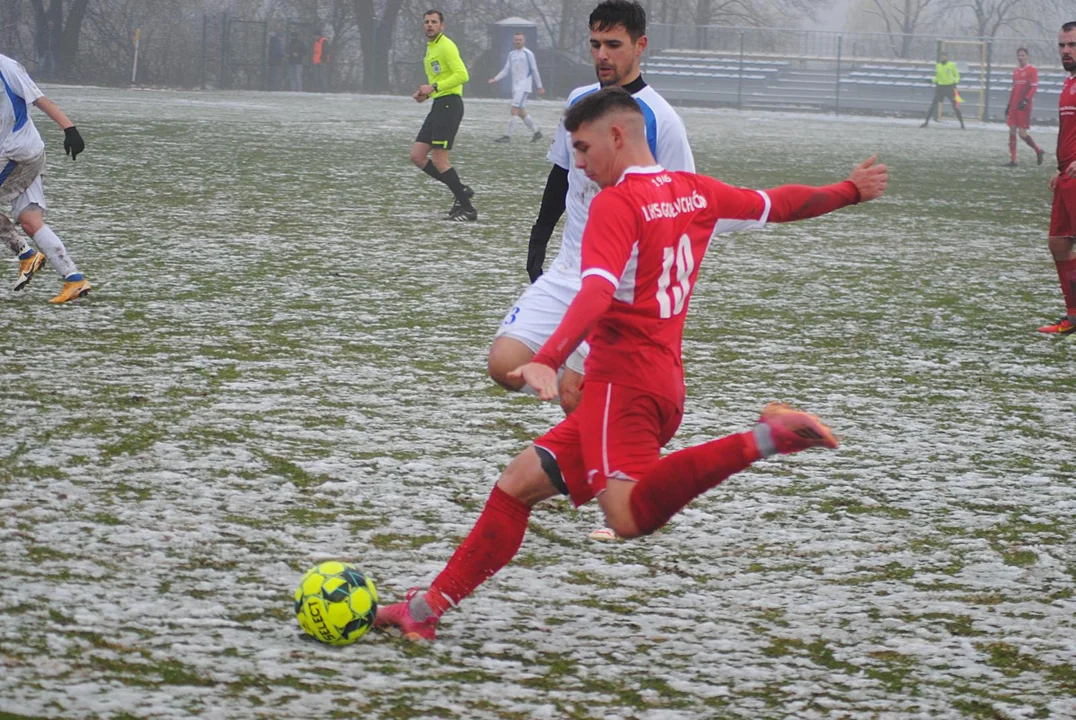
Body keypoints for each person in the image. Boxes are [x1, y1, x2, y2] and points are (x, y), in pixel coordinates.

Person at [373, 87, 888, 642]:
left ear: (616, 136)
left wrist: (547, 358)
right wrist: (849, 192)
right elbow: (777, 203)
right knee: (517, 485)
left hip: (622, 386)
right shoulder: (694, 191)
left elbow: (594, 292)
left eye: (583, 147)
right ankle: (424, 611)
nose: (579, 162)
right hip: (657, 384)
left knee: (626, 517)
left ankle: (766, 439)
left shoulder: (615, 204)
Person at [489, 0, 694, 542]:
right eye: (596, 44)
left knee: (584, 397)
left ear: (640, 46)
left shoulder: (661, 119)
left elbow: (685, 203)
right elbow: (562, 174)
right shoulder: (582, 101)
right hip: (568, 270)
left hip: (620, 287)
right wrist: (539, 238)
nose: (603, 55)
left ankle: (625, 490)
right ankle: (595, 446)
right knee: (504, 364)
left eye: (614, 45)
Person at [0, 53, 89, 303]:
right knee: (30, 220)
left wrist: (69, 128)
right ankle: (74, 279)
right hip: (25, 153)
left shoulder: (6, 67)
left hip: (16, 152)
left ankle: (26, 254)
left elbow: (38, 98)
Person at [410, 9, 477, 222]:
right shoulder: (431, 48)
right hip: (439, 105)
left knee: (440, 159)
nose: (429, 25)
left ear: (442, 25)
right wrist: (426, 95)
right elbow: (439, 80)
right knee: (417, 156)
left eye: (434, 22)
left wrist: (434, 86)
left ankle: (468, 210)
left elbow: (462, 75)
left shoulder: (446, 46)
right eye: (427, 22)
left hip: (450, 106)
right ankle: (461, 189)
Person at [1038, 22, 1076, 336]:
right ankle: (1074, 315)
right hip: (1067, 177)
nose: (1066, 51)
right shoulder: (1069, 84)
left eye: (1072, 45)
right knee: (1059, 244)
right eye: (1062, 45)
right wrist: (1062, 167)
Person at [488, 32, 545, 143]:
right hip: (516, 86)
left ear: (524, 41)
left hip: (524, 86)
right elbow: (506, 69)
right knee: (521, 112)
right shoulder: (511, 54)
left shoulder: (528, 54)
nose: (518, 42)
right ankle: (537, 132)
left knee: (514, 110)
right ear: (513, 41)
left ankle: (507, 137)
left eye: (520, 40)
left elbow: (534, 70)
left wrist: (540, 86)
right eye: (516, 40)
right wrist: (496, 79)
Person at [1004, 48, 1044, 167]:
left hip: (1024, 106)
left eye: (1023, 55)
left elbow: (1034, 87)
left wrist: (1026, 100)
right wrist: (1009, 104)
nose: (1021, 57)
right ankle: (1013, 160)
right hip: (1014, 105)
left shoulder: (1032, 70)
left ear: (1027, 56)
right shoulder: (1015, 71)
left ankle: (1038, 150)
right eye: (1019, 55)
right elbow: (1014, 89)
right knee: (1011, 130)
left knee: (1022, 134)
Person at [920, 51, 964, 129]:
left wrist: (955, 83)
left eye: (944, 56)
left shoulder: (951, 65)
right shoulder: (938, 66)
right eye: (941, 56)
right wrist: (931, 80)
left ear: (947, 57)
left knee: (955, 106)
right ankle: (926, 122)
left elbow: (957, 75)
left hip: (949, 87)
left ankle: (962, 124)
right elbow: (938, 77)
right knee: (933, 105)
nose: (943, 57)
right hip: (940, 87)